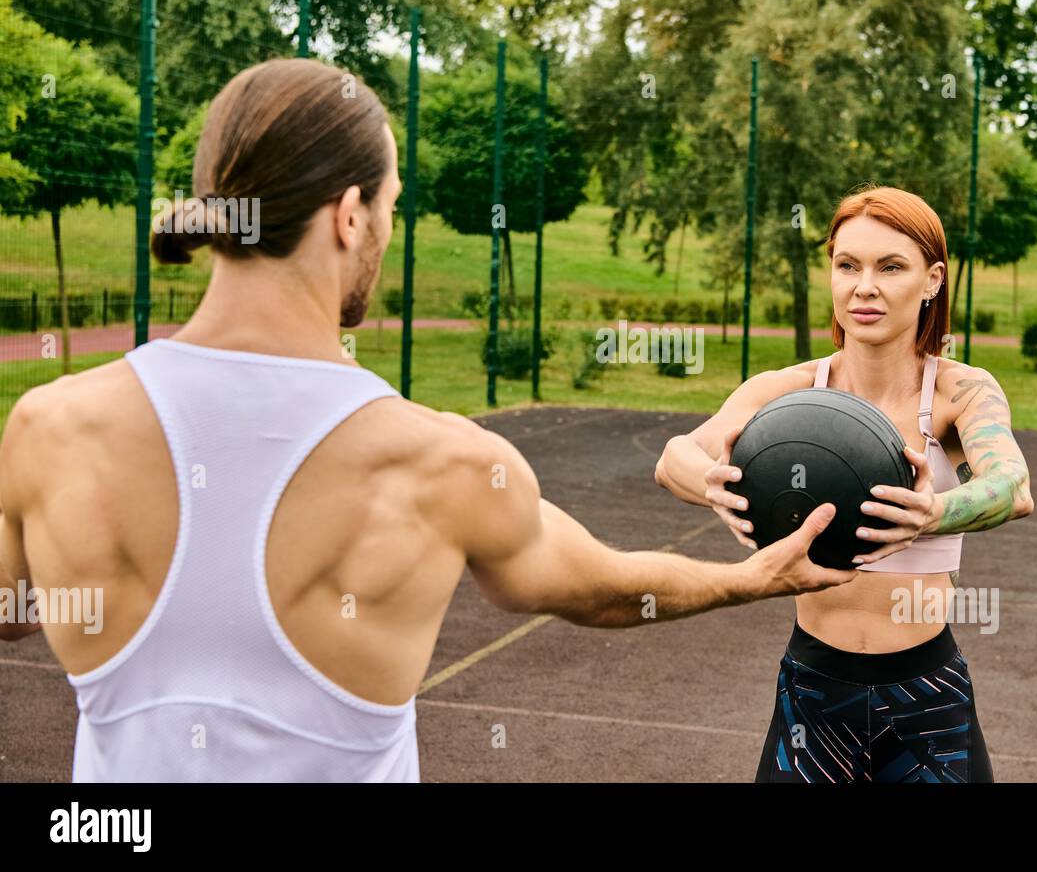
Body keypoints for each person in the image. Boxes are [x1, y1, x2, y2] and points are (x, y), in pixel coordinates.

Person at [0, 57, 858, 782]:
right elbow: (604, 591)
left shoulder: (50, 428)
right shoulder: (442, 464)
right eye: (389, 206)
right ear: (348, 214)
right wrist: (751, 579)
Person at [655, 185, 1034, 782]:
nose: (864, 287)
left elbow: (1013, 485)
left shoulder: (960, 392)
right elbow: (673, 456)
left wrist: (931, 513)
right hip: (814, 691)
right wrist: (712, 484)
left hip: (927, 695)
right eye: (847, 265)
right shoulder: (788, 392)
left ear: (933, 279)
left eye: (891, 267)